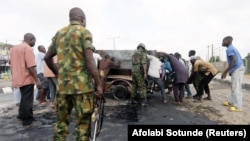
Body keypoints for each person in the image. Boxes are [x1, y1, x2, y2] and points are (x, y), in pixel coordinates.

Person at [44, 7, 103, 141]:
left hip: (63, 88)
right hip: (82, 89)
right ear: (82, 19)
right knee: (82, 124)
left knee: (61, 124)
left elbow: (47, 57)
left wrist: (57, 73)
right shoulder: (84, 32)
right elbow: (89, 59)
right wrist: (99, 84)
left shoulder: (59, 33)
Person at [9, 33, 41, 127]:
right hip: (26, 77)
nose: (34, 43)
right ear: (31, 39)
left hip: (17, 77)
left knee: (23, 98)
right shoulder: (28, 49)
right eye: (34, 41)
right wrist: (37, 80)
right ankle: (27, 121)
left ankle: (21, 116)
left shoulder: (14, 49)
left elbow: (11, 63)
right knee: (27, 100)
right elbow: (31, 66)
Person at [221, 36, 245, 112]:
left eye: (223, 41)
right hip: (236, 69)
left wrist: (225, 71)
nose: (222, 42)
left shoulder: (229, 49)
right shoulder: (231, 48)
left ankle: (238, 107)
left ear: (228, 41)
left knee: (236, 88)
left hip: (237, 69)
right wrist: (231, 71)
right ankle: (232, 102)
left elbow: (233, 61)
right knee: (234, 87)